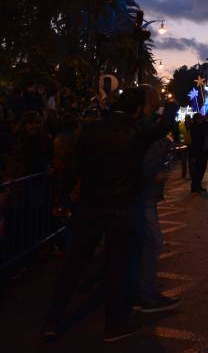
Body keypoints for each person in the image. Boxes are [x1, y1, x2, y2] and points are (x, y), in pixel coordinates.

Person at [43, 89, 148, 342]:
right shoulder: (136, 132)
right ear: (137, 108)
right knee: (116, 266)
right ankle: (113, 325)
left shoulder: (92, 129)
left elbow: (76, 164)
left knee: (74, 264)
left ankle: (52, 321)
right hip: (120, 208)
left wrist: (64, 195)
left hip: (91, 205)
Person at [131, 85, 181, 313]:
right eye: (154, 100)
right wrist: (155, 172)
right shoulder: (145, 128)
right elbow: (147, 159)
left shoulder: (145, 126)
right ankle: (144, 293)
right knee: (153, 241)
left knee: (145, 242)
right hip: (142, 194)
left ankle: (141, 288)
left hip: (143, 193)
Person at [188, 113, 208, 193]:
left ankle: (197, 185)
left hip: (202, 151)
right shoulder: (195, 127)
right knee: (197, 169)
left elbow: (207, 130)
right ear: (197, 119)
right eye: (200, 118)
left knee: (202, 168)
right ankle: (195, 186)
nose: (201, 120)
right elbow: (199, 136)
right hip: (198, 152)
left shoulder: (200, 126)